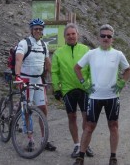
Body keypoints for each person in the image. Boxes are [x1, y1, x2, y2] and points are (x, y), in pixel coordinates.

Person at [73, 24, 130, 165]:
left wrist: (121, 83)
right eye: (103, 36)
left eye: (109, 36)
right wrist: (84, 83)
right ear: (99, 38)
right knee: (89, 127)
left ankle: (113, 157)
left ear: (112, 39)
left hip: (112, 97)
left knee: (113, 126)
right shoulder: (92, 53)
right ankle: (81, 156)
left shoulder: (118, 54)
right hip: (94, 97)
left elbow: (128, 69)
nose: (106, 38)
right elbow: (77, 68)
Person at [51, 23, 94, 158]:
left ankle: (85, 144)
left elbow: (92, 68)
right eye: (68, 34)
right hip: (68, 89)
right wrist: (56, 88)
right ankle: (76, 145)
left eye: (73, 34)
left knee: (87, 117)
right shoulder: (58, 52)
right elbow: (54, 72)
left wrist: (92, 85)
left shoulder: (86, 49)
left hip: (84, 89)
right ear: (64, 37)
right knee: (72, 117)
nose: (71, 36)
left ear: (78, 35)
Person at [14, 18, 57, 152]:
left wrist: (55, 79)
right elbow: (18, 59)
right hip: (26, 79)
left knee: (43, 109)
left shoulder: (44, 45)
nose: (38, 31)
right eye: (36, 29)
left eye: (40, 29)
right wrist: (17, 76)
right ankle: (30, 139)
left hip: (38, 79)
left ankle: (45, 139)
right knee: (27, 109)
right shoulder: (24, 43)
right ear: (31, 30)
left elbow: (48, 64)